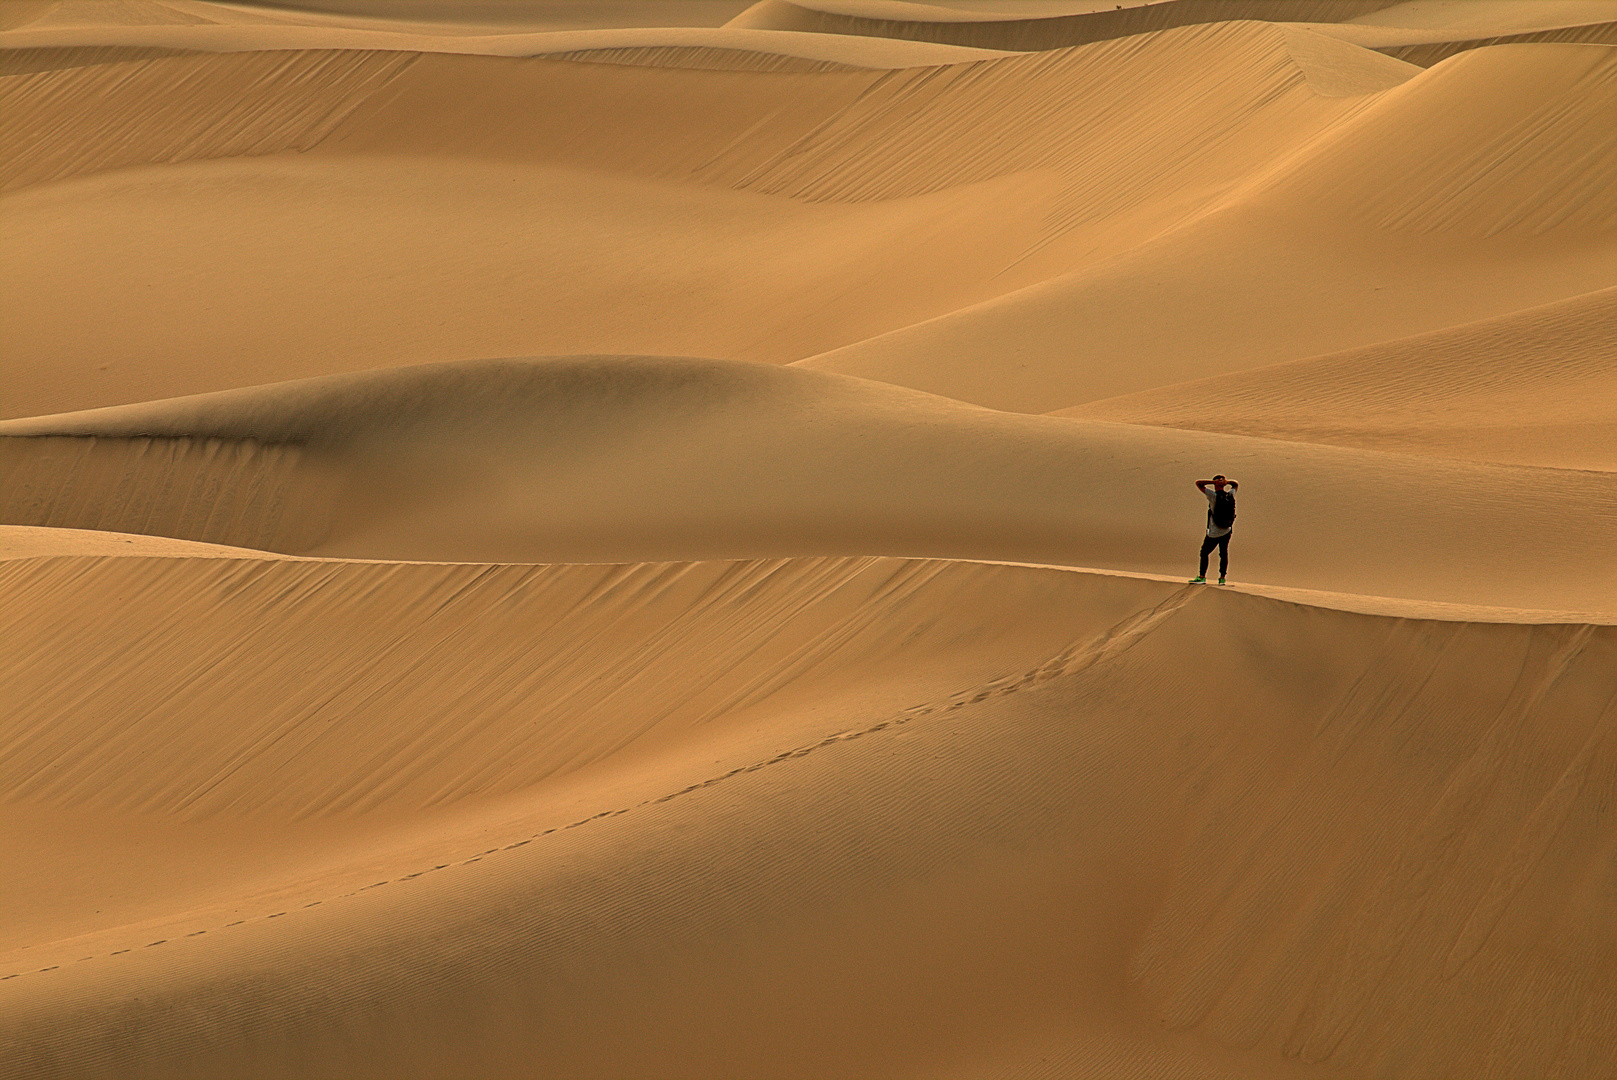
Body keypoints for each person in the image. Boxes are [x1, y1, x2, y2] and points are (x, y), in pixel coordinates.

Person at [1191, 475, 1237, 584]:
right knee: (1223, 553)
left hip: (1214, 533)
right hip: (1226, 530)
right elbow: (1235, 484)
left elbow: (1198, 482)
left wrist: (1213, 482)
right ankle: (1222, 578)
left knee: (1204, 553)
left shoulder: (1213, 496)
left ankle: (1202, 576)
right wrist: (1226, 482)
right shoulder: (1230, 494)